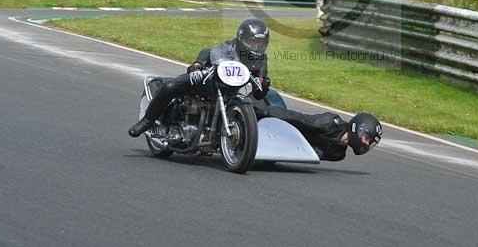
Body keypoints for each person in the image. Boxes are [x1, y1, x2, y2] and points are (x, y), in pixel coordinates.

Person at [129, 19, 271, 137]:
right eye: (253, 42)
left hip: (230, 92)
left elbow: (258, 94)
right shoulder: (229, 47)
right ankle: (147, 121)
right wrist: (197, 66)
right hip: (206, 81)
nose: (257, 47)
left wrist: (264, 85)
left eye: (260, 43)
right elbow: (208, 52)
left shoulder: (261, 60)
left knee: (258, 107)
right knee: (171, 86)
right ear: (242, 38)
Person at [254, 106, 382, 161]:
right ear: (358, 127)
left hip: (284, 146)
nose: (366, 143)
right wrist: (260, 112)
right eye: (367, 138)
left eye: (369, 143)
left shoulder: (338, 154)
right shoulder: (329, 123)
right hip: (281, 128)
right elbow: (298, 118)